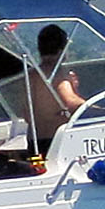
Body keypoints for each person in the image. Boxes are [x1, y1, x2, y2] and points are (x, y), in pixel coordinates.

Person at [20, 24, 86, 154]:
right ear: (62, 49)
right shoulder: (57, 73)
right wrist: (101, 110)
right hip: (56, 141)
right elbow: (70, 101)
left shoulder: (31, 75)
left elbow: (27, 114)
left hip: (35, 142)